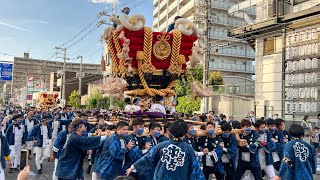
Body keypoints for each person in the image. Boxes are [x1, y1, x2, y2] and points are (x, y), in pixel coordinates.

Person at [126, 120, 205, 180]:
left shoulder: (162, 145)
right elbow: (195, 167)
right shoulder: (188, 148)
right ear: (184, 132)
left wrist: (133, 167)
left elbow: (148, 157)